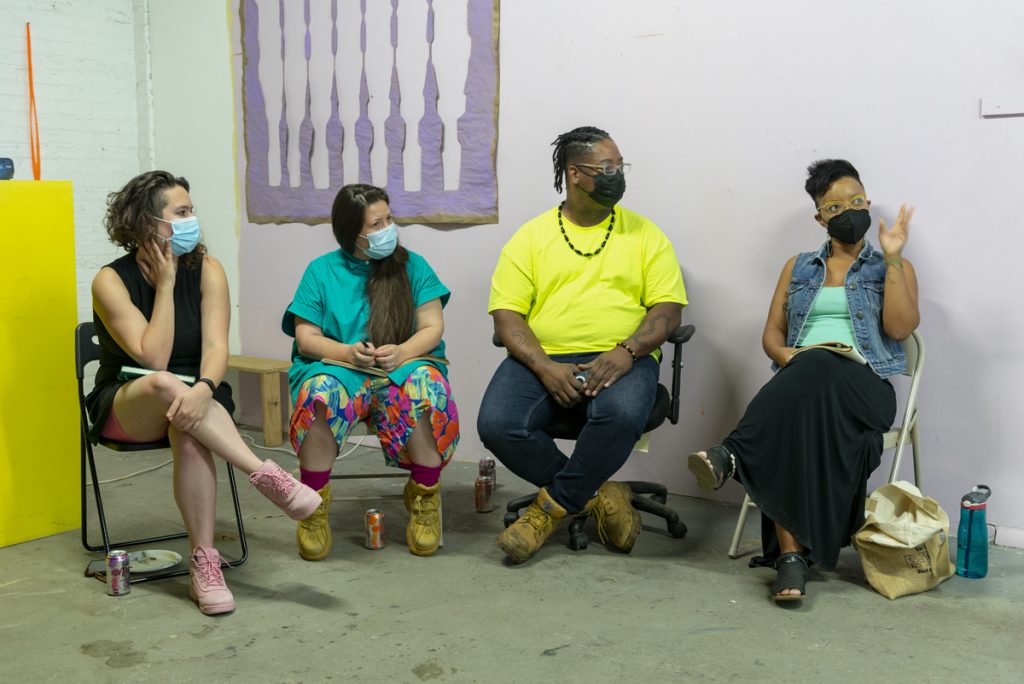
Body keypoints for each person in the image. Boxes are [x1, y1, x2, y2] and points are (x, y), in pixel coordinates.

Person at [88, 170, 322, 616]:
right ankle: (268, 476)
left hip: (200, 399)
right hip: (128, 400)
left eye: (191, 210)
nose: (192, 220)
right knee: (162, 384)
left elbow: (217, 348)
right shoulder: (110, 282)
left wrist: (205, 388)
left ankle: (204, 563)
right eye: (181, 212)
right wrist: (167, 284)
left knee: (190, 428)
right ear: (146, 224)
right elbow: (154, 359)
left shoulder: (209, 269)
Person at [688, 159, 918, 602]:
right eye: (835, 207)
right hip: (802, 388)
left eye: (856, 201)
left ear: (867, 202)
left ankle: (731, 453)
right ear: (820, 218)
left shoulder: (891, 265)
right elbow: (771, 334)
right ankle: (791, 560)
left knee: (815, 366)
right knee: (800, 402)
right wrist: (788, 355)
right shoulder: (798, 267)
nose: (848, 211)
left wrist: (892, 258)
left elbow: (900, 329)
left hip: (865, 389)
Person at [477, 126, 687, 563]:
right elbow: (507, 315)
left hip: (622, 356)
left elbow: (668, 311)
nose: (617, 176)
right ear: (574, 174)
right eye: (605, 168)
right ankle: (597, 493)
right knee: (497, 423)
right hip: (545, 357)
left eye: (620, 167)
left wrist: (627, 351)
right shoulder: (530, 238)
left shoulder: (646, 235)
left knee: (621, 413)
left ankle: (545, 511)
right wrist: (544, 366)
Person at [283, 183, 459, 559]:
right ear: (351, 233)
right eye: (376, 224)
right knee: (320, 394)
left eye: (389, 219)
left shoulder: (413, 266)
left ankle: (425, 495)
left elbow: (432, 326)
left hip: (403, 367)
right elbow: (307, 337)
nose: (387, 230)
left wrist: (403, 352)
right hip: (343, 371)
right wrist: (347, 353)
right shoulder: (321, 271)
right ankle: (313, 506)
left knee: (425, 386)